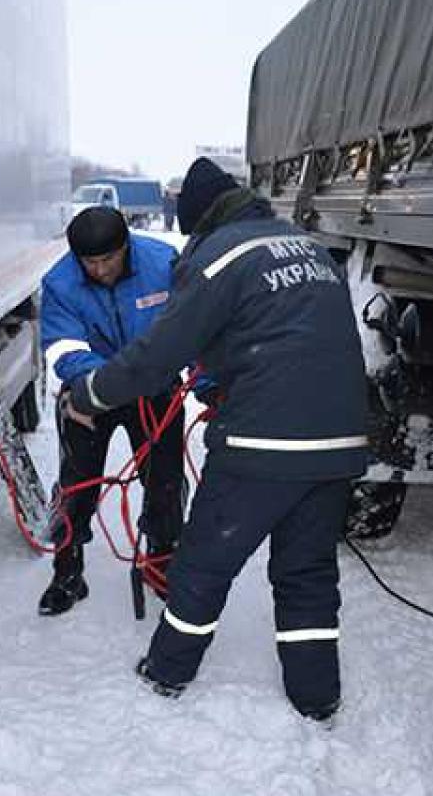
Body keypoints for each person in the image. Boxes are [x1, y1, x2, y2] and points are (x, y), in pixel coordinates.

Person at [69, 157, 368, 722]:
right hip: (339, 442)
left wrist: (88, 394)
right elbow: (290, 337)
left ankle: (168, 671)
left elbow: (157, 357)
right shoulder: (306, 247)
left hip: (264, 446)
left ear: (201, 222)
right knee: (306, 572)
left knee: (203, 562)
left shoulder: (217, 256)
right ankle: (317, 696)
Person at [38, 206, 186, 616]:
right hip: (90, 396)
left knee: (166, 483)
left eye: (107, 260)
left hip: (155, 391)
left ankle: (160, 563)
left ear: (127, 247)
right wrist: (101, 386)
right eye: (89, 263)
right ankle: (67, 572)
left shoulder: (164, 265)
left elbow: (194, 327)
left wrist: (208, 386)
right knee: (77, 484)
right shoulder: (60, 283)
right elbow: (63, 347)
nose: (99, 270)